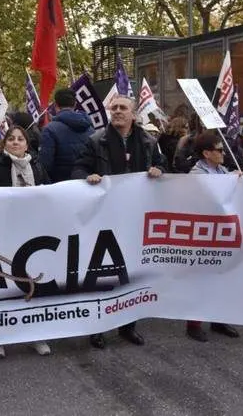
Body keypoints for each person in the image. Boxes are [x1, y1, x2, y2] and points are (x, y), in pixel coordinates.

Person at [72, 95, 165, 349]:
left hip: (135, 217)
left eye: (123, 108)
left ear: (134, 114)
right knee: (101, 272)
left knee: (130, 272)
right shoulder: (96, 140)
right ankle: (98, 327)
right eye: (113, 108)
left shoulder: (148, 141)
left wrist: (158, 171)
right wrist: (86, 176)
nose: (117, 112)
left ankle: (128, 325)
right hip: (104, 216)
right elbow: (78, 168)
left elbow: (161, 166)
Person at [0, 125, 51, 358]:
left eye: (20, 139)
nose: (16, 142)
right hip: (2, 231)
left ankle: (34, 334)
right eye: (11, 139)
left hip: (31, 231)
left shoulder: (37, 166)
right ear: (4, 143)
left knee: (29, 282)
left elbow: (50, 193)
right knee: (1, 284)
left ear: (27, 144)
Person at [185, 132, 241, 341]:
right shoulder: (196, 174)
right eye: (219, 150)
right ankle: (194, 323)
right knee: (200, 279)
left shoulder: (223, 170)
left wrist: (237, 181)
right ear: (207, 153)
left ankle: (218, 319)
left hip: (222, 233)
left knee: (221, 276)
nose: (223, 153)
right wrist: (230, 182)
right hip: (203, 234)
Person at [39, 88, 94, 183]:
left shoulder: (49, 129)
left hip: (60, 186)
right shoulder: (91, 129)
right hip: (87, 184)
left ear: (55, 105)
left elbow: (45, 165)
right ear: (75, 104)